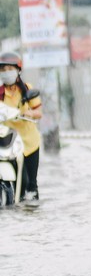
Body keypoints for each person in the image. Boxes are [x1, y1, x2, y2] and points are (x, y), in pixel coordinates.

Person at [0, 51, 42, 201]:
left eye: (9, 69)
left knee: (30, 184)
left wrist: (28, 113)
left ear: (18, 70)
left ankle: (30, 208)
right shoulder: (0, 93)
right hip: (8, 141)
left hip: (29, 142)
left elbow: (39, 112)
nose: (6, 73)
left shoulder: (27, 89)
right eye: (3, 70)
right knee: (15, 178)